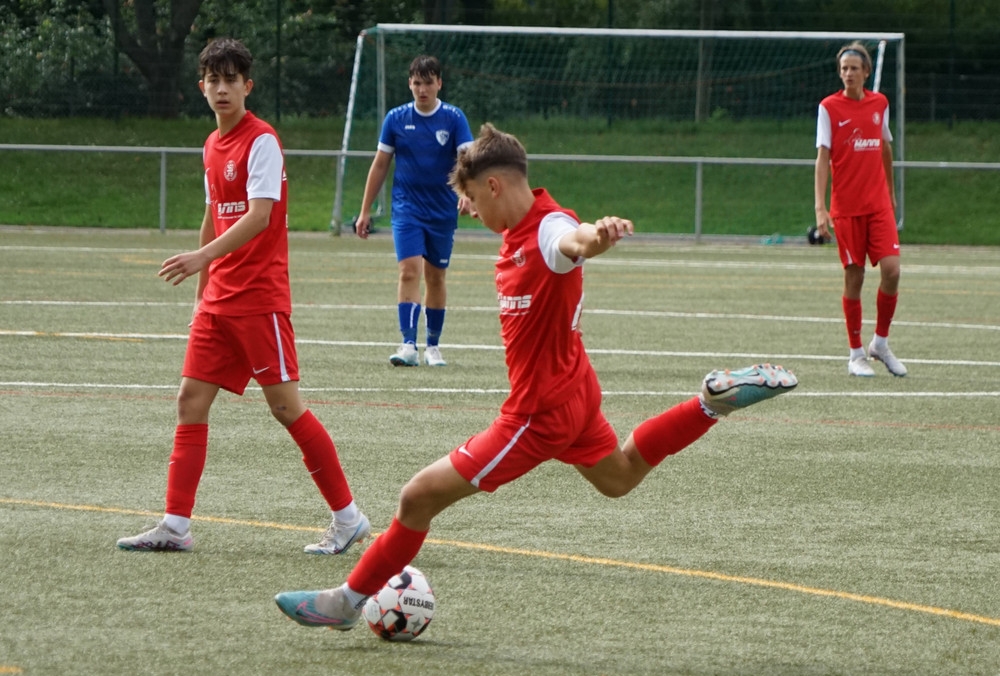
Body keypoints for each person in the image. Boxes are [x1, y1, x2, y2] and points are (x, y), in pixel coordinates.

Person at [274, 123, 798, 630]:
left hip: (538, 414)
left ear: (494, 185)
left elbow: (575, 240)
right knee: (618, 477)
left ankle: (346, 602)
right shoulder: (521, 229)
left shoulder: (547, 230)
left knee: (417, 497)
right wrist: (573, 232)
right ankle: (708, 404)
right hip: (574, 391)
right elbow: (562, 234)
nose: (469, 211)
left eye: (472, 199)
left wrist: (599, 236)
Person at [117, 38, 369, 555]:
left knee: (286, 408)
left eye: (231, 79)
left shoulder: (263, 140)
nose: (222, 88)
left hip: (258, 298)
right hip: (218, 302)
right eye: (213, 79)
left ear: (247, 86)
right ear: (201, 87)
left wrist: (200, 257)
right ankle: (175, 525)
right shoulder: (211, 145)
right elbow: (213, 214)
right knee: (190, 402)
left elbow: (258, 216)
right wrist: (201, 292)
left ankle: (348, 519)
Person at [354, 55, 475, 368]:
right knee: (409, 270)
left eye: (428, 83)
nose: (422, 89)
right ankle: (408, 344)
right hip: (407, 209)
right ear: (409, 83)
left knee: (435, 276)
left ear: (439, 84)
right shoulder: (395, 119)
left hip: (442, 212)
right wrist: (365, 210)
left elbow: (467, 162)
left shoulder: (453, 118)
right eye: (417, 83)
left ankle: (433, 346)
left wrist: (467, 194)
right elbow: (380, 165)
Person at [814, 42, 907, 378]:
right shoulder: (828, 108)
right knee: (855, 277)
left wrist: (891, 193)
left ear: (866, 72)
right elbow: (822, 159)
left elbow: (885, 147)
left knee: (892, 271)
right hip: (847, 208)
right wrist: (820, 207)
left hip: (878, 204)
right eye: (844, 69)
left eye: (854, 68)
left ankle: (880, 343)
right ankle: (855, 354)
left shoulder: (879, 103)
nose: (848, 73)